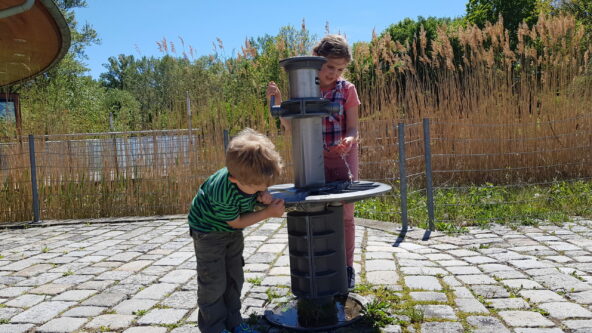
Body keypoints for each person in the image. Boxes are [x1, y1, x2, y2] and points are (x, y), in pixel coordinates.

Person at [266, 34, 361, 289]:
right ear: (317, 60)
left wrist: (349, 141)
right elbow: (291, 127)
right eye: (330, 66)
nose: (334, 73)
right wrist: (276, 103)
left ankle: (347, 266)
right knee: (315, 207)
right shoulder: (306, 88)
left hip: (343, 157)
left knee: (346, 214)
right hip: (313, 156)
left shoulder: (347, 90)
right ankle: (319, 263)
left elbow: (353, 129)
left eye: (340, 69)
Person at [188, 128, 285, 333]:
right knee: (213, 281)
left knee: (234, 277)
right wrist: (268, 212)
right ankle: (214, 327)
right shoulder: (222, 191)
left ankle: (234, 321)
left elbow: (255, 188)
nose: (262, 189)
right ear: (235, 180)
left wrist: (263, 193)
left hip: (229, 231)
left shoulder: (249, 179)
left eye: (266, 185)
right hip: (208, 232)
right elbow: (237, 222)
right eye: (258, 186)